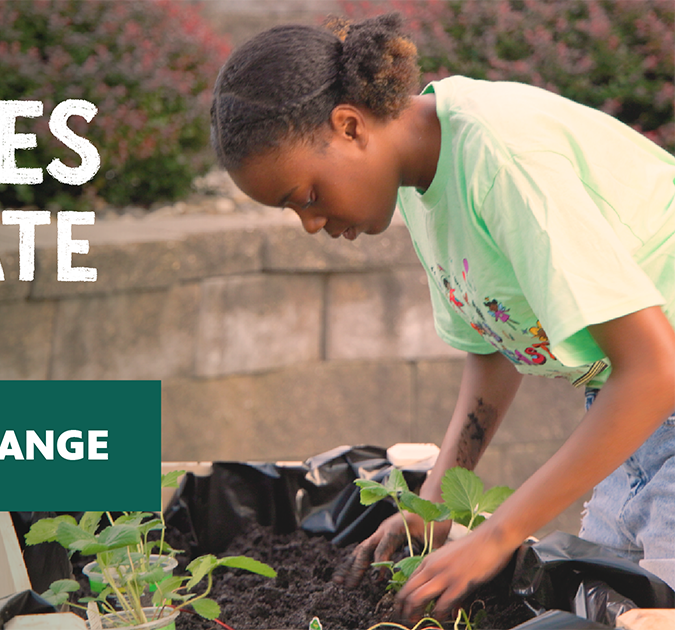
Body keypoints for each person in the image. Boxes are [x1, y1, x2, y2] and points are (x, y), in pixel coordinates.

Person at [209, 12, 675, 621]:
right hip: (641, 428)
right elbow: (494, 348)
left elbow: (653, 369)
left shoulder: (500, 160)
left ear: (349, 126)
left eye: (309, 196)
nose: (312, 224)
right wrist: (434, 509)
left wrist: (496, 536)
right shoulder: (425, 178)